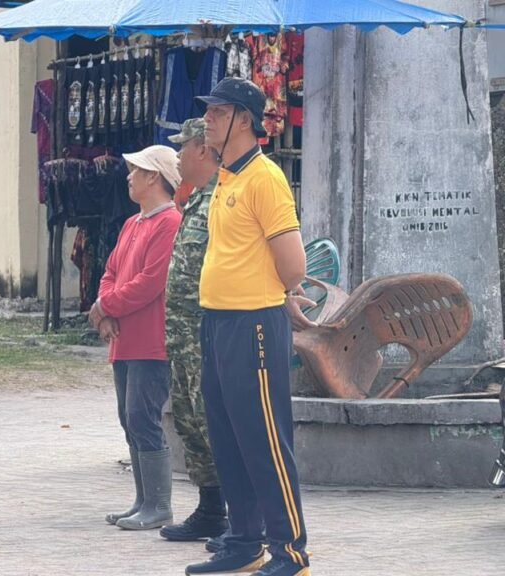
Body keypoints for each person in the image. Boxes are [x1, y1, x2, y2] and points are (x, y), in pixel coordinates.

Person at [184, 78, 312, 576]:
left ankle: (290, 551)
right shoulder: (226, 178)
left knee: (264, 442)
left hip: (253, 323)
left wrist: (280, 295)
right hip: (218, 322)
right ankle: (243, 541)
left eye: (217, 112)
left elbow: (293, 266)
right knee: (229, 437)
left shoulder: (264, 178)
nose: (208, 120)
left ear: (243, 119)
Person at [89, 145, 182, 531]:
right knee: (129, 419)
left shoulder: (169, 223)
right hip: (125, 337)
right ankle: (143, 500)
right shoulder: (133, 223)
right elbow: (110, 272)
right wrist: (106, 310)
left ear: (154, 177)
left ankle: (158, 505)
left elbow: (150, 283)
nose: (129, 177)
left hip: (150, 340)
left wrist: (105, 306)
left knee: (144, 418)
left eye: (136, 170)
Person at [157, 119, 229, 544]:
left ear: (202, 149)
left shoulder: (224, 198)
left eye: (183, 148)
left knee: (215, 426)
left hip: (207, 337)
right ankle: (210, 510)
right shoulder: (197, 199)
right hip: (182, 338)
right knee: (190, 423)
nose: (178, 156)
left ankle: (242, 516)